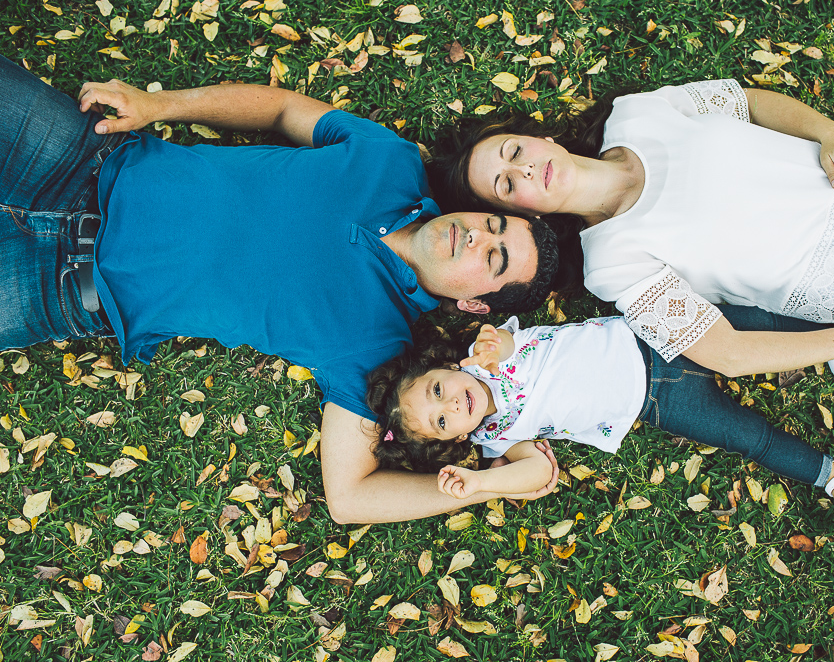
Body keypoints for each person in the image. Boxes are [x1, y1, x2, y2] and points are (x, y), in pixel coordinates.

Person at [0, 55, 562, 524]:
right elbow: (285, 108)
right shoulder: (391, 161)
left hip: (58, 285)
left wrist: (489, 484)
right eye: (494, 225)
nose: (476, 237)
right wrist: (162, 104)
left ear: (473, 305)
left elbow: (349, 499)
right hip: (83, 156)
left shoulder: (375, 349)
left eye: (493, 259)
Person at [426, 78, 834, 382]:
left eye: (511, 151)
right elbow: (726, 353)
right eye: (505, 184)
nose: (522, 168)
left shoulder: (637, 112)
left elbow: (747, 103)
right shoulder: (612, 265)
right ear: (525, 215)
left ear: (539, 137)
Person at [366, 304, 834, 541]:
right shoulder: (497, 435)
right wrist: (481, 481)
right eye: (441, 419)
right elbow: (536, 475)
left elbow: (509, 340)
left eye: (439, 390)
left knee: (758, 328)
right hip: (654, 403)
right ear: (453, 438)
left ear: (448, 367)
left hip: (650, 335)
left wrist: (497, 343)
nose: (454, 404)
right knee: (744, 436)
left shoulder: (485, 357)